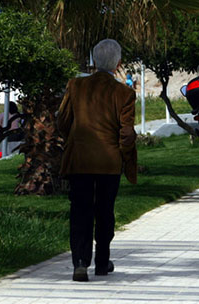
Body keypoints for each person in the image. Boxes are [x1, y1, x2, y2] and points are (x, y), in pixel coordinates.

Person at [57, 39, 137, 282]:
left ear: (93, 61)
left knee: (80, 209)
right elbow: (126, 133)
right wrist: (125, 154)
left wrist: (76, 138)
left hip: (79, 160)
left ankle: (80, 263)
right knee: (105, 211)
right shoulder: (124, 93)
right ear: (119, 63)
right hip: (108, 162)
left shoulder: (75, 86)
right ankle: (102, 262)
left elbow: (63, 120)